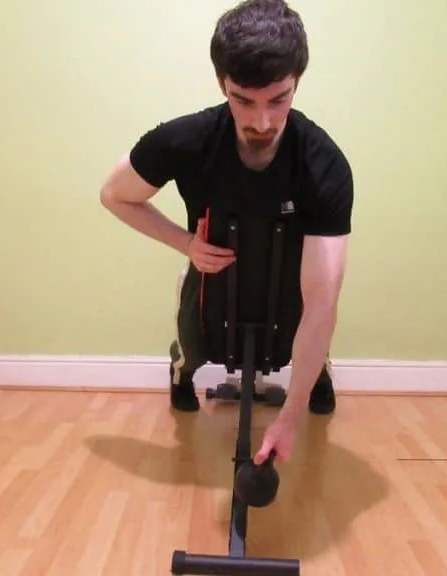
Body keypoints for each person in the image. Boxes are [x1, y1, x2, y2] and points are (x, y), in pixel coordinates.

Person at [99, 0, 352, 463]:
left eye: (279, 100)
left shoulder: (324, 165)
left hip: (292, 280)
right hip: (213, 269)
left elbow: (322, 301)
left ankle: (316, 372)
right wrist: (186, 243)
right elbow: (115, 195)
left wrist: (289, 419)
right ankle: (181, 368)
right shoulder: (184, 140)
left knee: (311, 325)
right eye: (244, 101)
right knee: (197, 344)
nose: (262, 122)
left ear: (297, 81)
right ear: (222, 84)